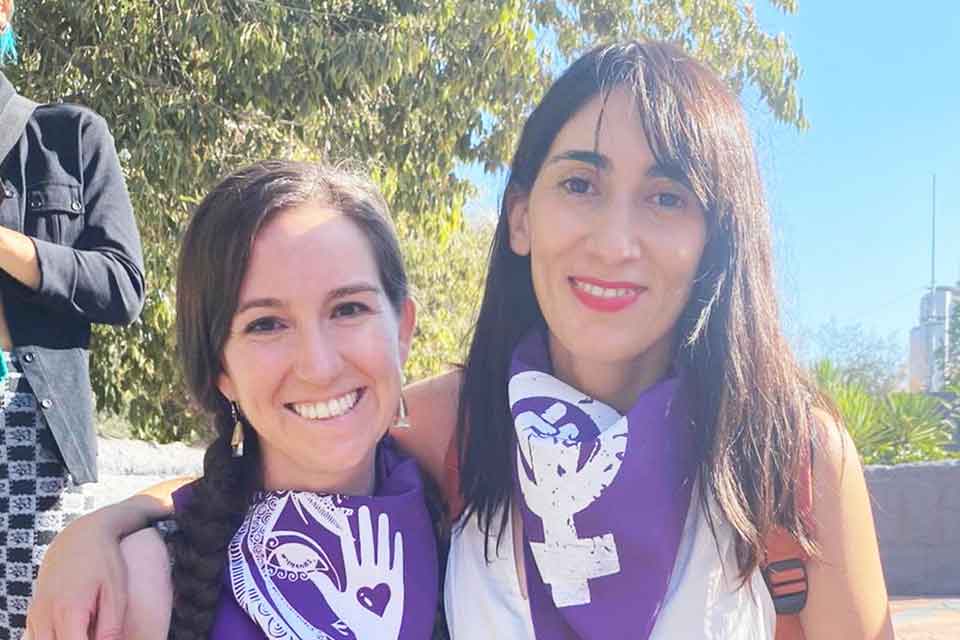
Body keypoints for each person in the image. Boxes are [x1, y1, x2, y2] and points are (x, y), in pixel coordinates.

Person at [26, 42, 894, 639]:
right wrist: (103, 527)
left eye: (669, 196)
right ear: (519, 214)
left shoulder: (790, 457)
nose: (614, 240)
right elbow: (286, 443)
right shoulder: (459, 422)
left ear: (719, 234)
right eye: (580, 183)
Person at [81, 160, 439, 640]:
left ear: (402, 330)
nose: (319, 366)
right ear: (221, 370)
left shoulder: (479, 534)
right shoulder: (141, 586)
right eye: (266, 324)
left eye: (348, 309)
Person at [0, 0, 146, 636]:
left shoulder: (71, 137)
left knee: (37, 622)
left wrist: (10, 248)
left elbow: (123, 285)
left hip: (30, 427)